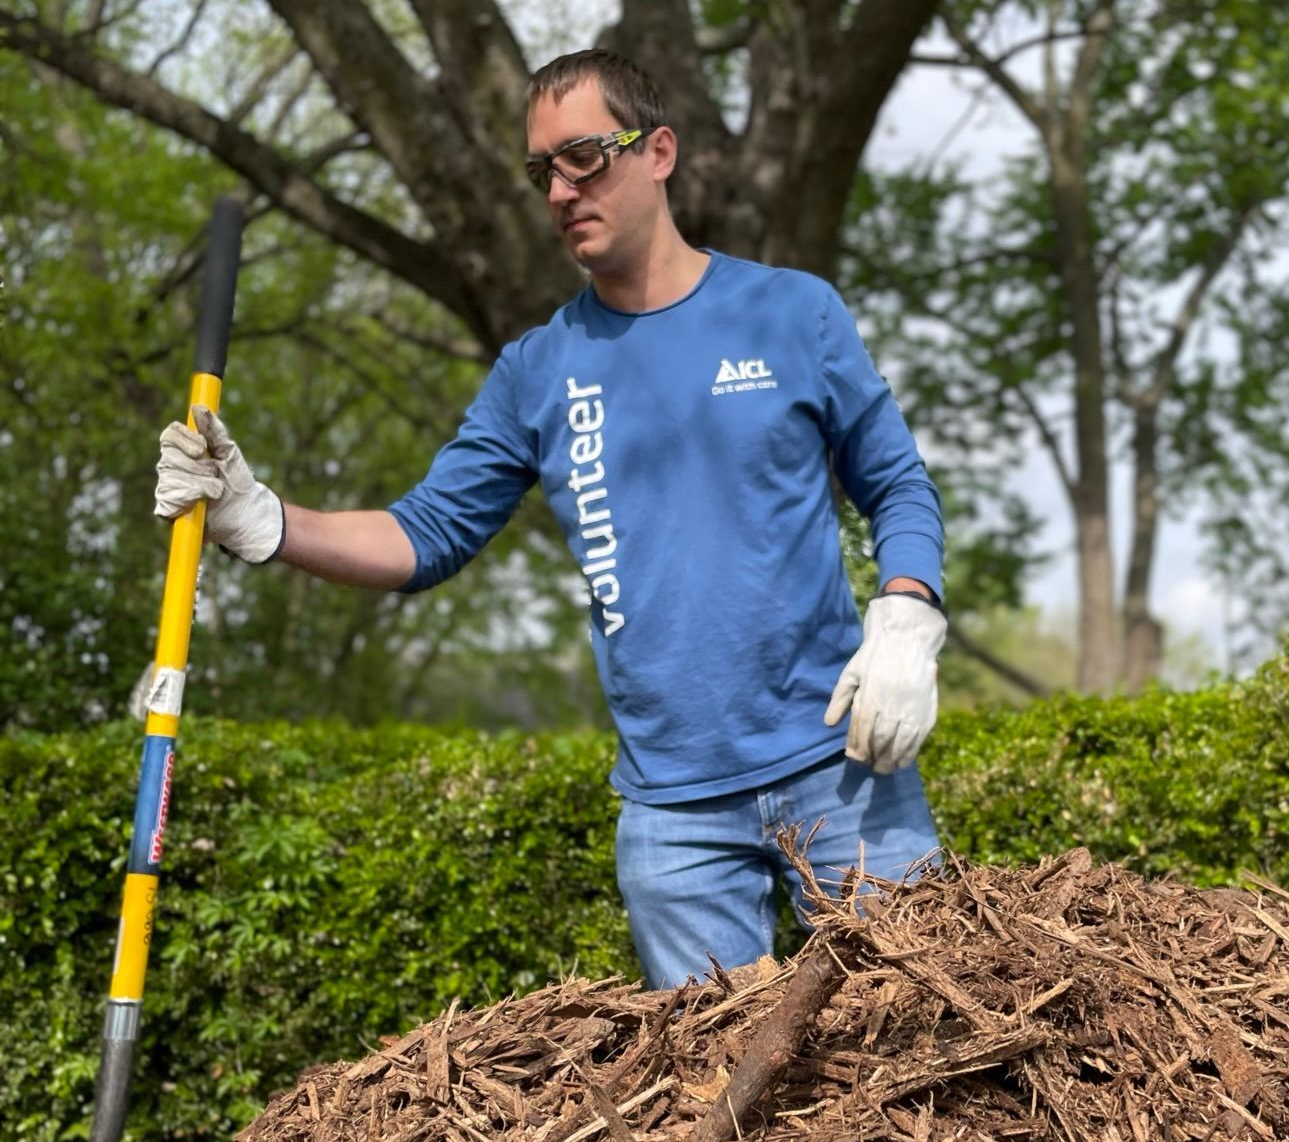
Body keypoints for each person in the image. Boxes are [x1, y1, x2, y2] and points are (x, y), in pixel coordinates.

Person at [155, 50, 948, 987]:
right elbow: (424, 535)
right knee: (719, 1110)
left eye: (584, 157)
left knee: (928, 1046)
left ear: (658, 151)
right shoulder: (538, 371)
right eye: (544, 172)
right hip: (674, 822)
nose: (563, 189)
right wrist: (264, 518)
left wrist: (906, 614)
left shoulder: (793, 313)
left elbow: (897, 483)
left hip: (843, 765)